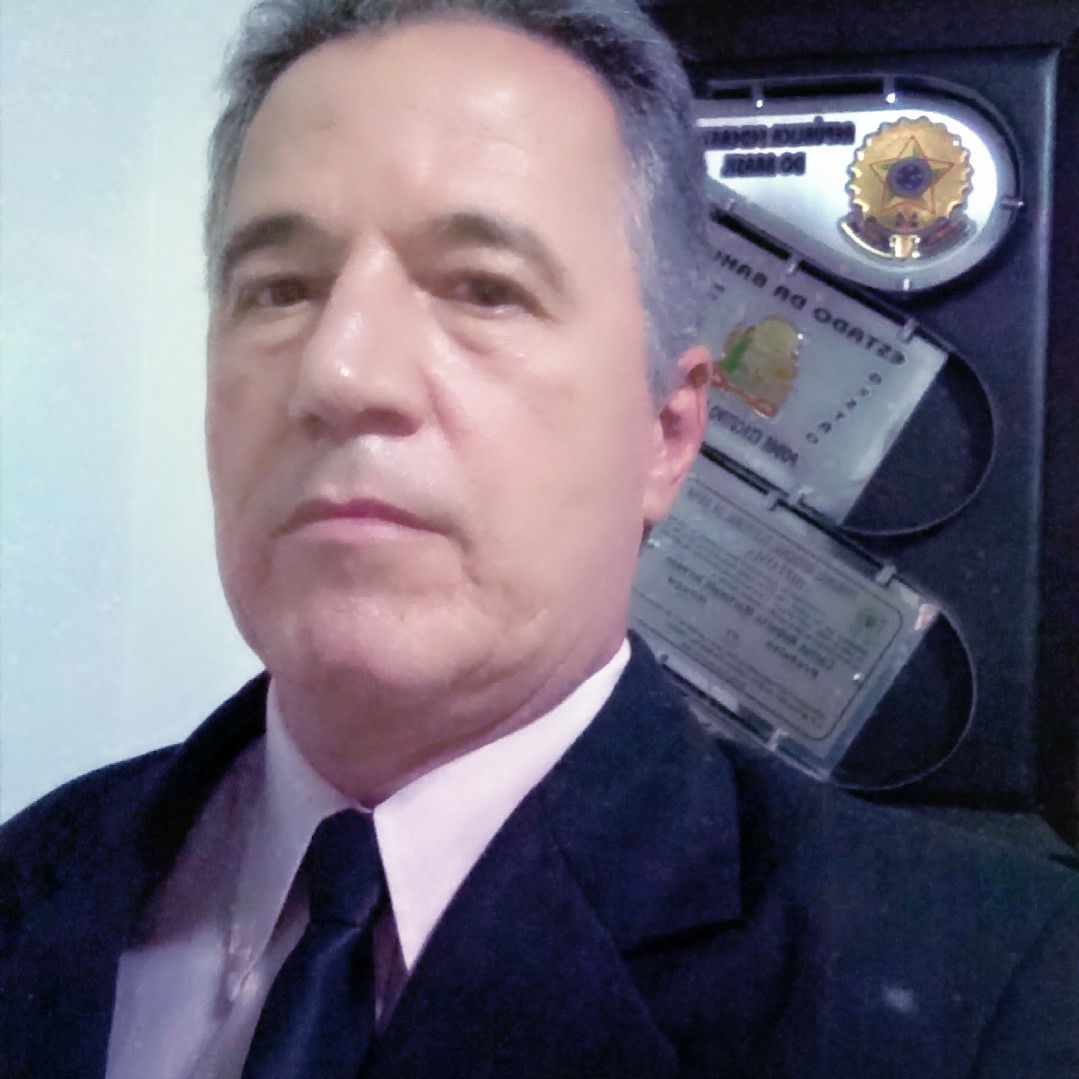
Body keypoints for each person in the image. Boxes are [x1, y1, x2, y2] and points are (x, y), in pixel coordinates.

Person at [1, 1, 1076, 1076]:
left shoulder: (995, 994)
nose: (340, 371)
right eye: (279, 289)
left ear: (664, 435)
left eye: (484, 289)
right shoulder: (31, 880)